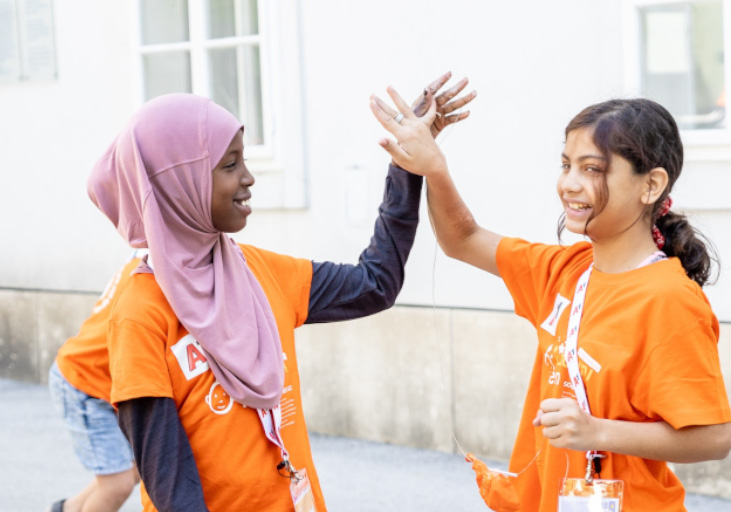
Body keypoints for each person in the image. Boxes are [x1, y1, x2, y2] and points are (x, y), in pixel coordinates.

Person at [68, 74, 473, 512]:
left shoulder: (258, 270)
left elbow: (375, 284)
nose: (249, 178)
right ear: (176, 185)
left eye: (245, 160)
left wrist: (405, 169)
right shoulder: (139, 314)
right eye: (229, 165)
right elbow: (172, 489)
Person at [369, 92, 731, 511]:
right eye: (566, 165)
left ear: (651, 184)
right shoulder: (566, 270)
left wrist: (597, 432)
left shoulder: (670, 299)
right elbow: (463, 239)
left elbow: (714, 437)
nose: (569, 184)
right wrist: (434, 167)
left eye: (591, 168)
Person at [48, 253, 144, 512]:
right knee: (117, 484)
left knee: (132, 470)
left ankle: (64, 509)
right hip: (83, 383)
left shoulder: (144, 259)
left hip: (95, 380)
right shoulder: (151, 270)